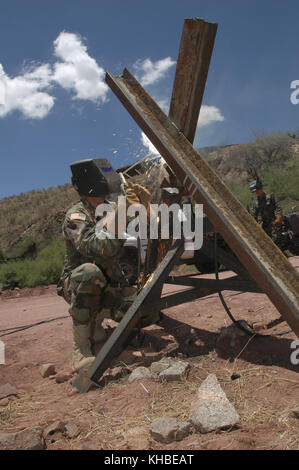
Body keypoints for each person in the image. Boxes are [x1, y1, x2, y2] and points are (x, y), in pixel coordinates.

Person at [57, 158, 152, 372]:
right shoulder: (76, 216)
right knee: (90, 273)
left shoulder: (108, 208)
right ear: (88, 191)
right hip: (79, 282)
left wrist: (141, 207)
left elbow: (139, 231)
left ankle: (98, 323)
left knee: (146, 311)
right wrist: (120, 213)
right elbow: (97, 247)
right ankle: (81, 347)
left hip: (108, 277)